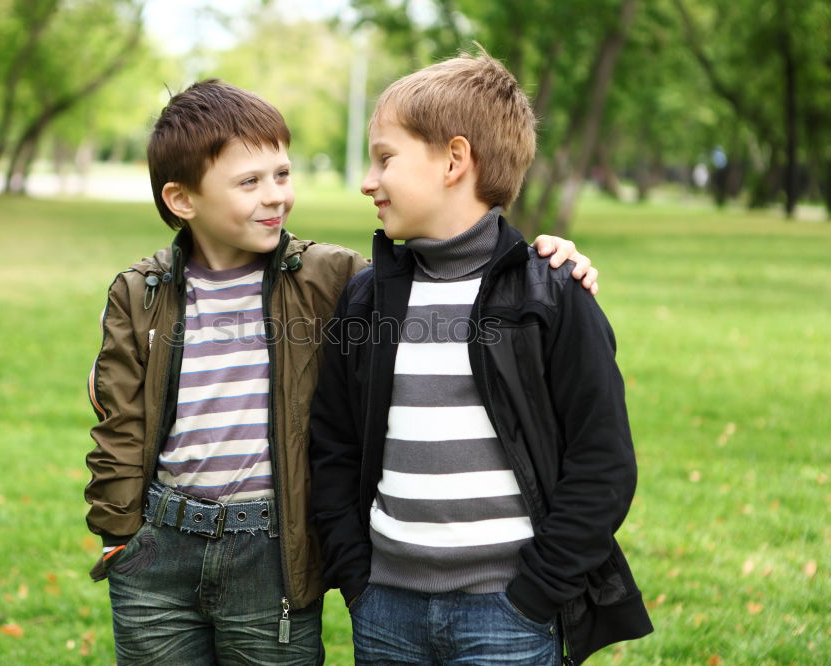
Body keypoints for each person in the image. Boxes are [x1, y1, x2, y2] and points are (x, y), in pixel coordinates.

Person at [84, 78, 596, 665]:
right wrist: (119, 534)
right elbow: (118, 422)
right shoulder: (141, 292)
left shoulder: (327, 277)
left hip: (271, 549)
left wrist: (553, 258)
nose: (276, 195)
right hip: (162, 544)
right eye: (250, 181)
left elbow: (447, 260)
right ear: (182, 200)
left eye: (282, 174)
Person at [308, 51, 653, 666]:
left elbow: (603, 463)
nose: (368, 180)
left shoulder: (548, 293)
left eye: (385, 158)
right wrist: (357, 578)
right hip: (385, 606)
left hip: (509, 613)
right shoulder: (367, 298)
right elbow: (332, 443)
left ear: (454, 160)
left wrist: (535, 593)